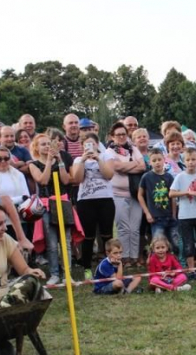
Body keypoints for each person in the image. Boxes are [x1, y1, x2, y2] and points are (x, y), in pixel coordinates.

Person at [28, 134, 75, 286]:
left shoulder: (59, 160)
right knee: (52, 242)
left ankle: (67, 273)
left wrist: (59, 160)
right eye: (43, 144)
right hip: (47, 205)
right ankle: (54, 273)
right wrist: (48, 161)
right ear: (36, 147)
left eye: (49, 144)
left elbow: (66, 180)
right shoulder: (33, 164)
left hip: (63, 202)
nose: (47, 146)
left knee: (66, 241)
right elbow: (43, 180)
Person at [71, 132, 116, 280]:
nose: (90, 147)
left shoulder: (106, 156)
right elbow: (76, 179)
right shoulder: (78, 159)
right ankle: (87, 268)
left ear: (97, 144)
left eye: (93, 144)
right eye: (86, 145)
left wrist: (97, 159)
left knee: (107, 235)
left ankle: (111, 265)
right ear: (82, 146)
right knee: (88, 237)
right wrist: (83, 160)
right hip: (86, 201)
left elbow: (109, 175)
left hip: (105, 199)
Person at [169, 148, 196, 281]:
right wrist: (186, 193)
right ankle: (191, 271)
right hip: (185, 216)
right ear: (184, 161)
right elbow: (171, 193)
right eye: (188, 160)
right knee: (188, 244)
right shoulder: (180, 176)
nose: (191, 162)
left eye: (193, 159)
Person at [107, 121, 146, 268]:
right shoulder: (109, 151)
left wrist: (125, 167)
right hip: (117, 194)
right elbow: (115, 167)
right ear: (112, 136)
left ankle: (134, 257)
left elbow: (142, 166)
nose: (122, 137)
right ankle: (124, 257)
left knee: (135, 228)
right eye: (118, 135)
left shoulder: (133, 149)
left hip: (136, 194)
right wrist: (132, 165)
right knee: (123, 227)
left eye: (124, 134)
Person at [138, 148, 178, 253]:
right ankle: (159, 265)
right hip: (156, 218)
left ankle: (177, 263)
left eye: (159, 160)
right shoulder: (146, 177)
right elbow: (140, 195)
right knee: (158, 242)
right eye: (154, 160)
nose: (157, 163)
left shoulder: (169, 177)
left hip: (170, 216)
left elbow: (173, 197)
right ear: (149, 162)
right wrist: (147, 213)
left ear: (164, 160)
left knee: (175, 242)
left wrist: (174, 214)